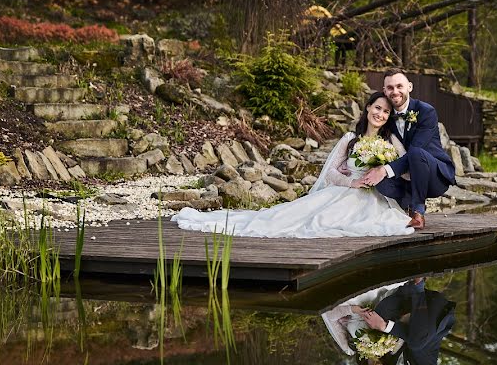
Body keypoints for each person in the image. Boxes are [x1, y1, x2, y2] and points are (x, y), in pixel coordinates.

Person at [170, 92, 414, 238]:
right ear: (369, 108)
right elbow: (329, 172)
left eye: (385, 111)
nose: (380, 114)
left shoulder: (390, 141)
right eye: (377, 108)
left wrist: (383, 174)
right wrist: (353, 181)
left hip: (375, 197)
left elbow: (406, 164)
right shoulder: (350, 139)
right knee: (295, 218)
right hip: (346, 191)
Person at [357, 68, 456, 230]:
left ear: (409, 87)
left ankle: (418, 212)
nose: (395, 92)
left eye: (399, 86)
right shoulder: (386, 116)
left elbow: (414, 152)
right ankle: (402, 207)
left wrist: (384, 170)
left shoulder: (426, 111)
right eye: (390, 88)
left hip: (434, 175)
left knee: (415, 153)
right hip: (406, 177)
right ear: (384, 91)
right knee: (381, 183)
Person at [357, 278, 457, 365]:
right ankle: (417, 287)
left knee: (379, 316)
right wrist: (385, 326)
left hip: (409, 306)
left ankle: (410, 285)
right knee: (416, 344)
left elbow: (367, 353)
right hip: (434, 313)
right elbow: (418, 343)